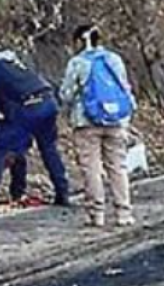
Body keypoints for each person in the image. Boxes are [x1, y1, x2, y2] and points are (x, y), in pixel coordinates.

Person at [60, 25, 136, 227]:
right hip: (117, 121)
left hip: (86, 123)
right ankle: (123, 213)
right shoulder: (114, 59)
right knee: (118, 167)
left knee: (91, 168)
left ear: (79, 41)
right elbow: (125, 87)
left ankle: (97, 214)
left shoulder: (77, 63)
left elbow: (66, 94)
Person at [0, 50, 71, 205]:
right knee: (48, 148)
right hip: (48, 101)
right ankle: (63, 193)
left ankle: (17, 192)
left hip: (29, 106)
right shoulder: (13, 64)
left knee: (5, 147)